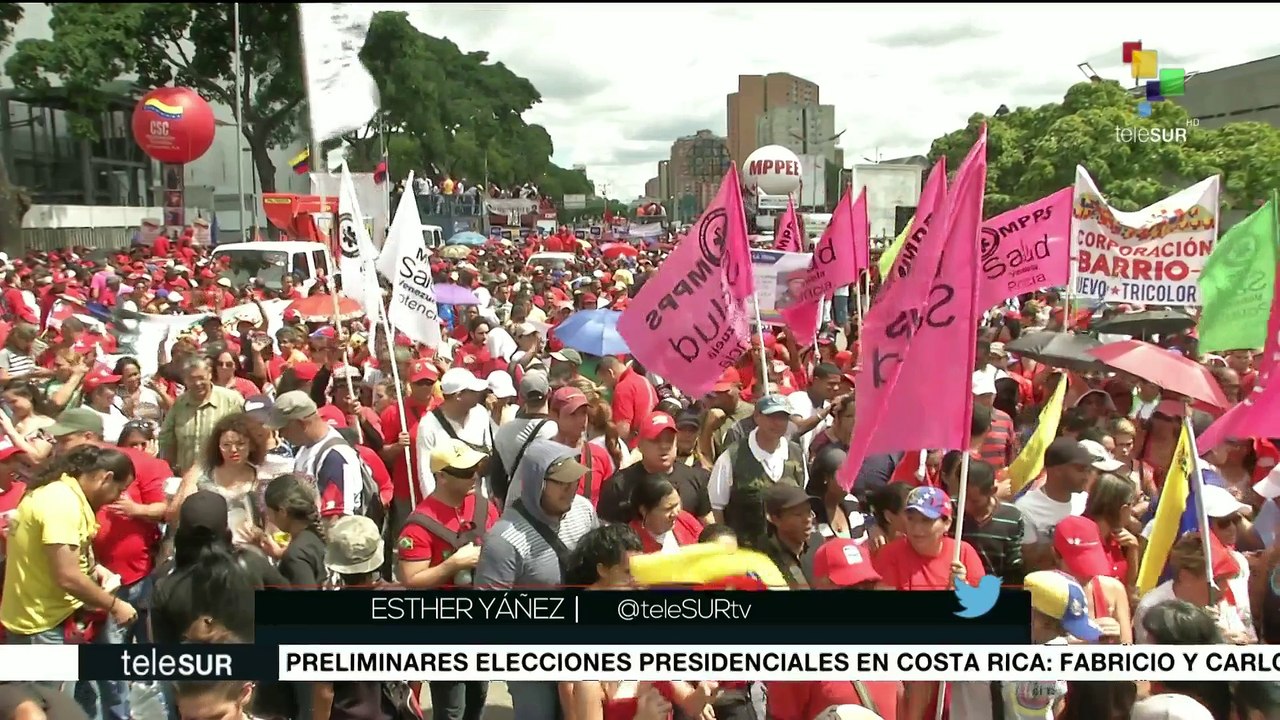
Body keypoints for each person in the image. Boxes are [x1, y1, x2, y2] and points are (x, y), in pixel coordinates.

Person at [475, 439, 598, 720]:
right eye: (561, 483)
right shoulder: (504, 539)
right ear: (537, 483)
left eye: (575, 481)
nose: (571, 490)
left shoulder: (583, 509)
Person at [709, 396, 806, 549]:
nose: (777, 423)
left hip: (787, 550)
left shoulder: (796, 453)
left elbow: (801, 498)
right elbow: (716, 507)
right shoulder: (732, 456)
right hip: (746, 551)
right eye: (771, 416)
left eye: (783, 417)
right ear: (757, 416)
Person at [597, 411, 712, 525]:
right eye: (655, 440)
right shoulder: (619, 485)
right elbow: (606, 532)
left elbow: (707, 522)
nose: (664, 446)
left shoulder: (696, 478)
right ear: (640, 445)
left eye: (669, 440)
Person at [265, 391, 367, 520]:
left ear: (301, 423)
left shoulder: (334, 456)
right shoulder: (304, 449)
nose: (280, 435)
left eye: (283, 428)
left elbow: (335, 518)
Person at [1016, 438, 1095, 571]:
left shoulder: (1087, 501)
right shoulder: (1026, 508)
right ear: (1057, 470)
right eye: (1080, 470)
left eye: (1088, 470)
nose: (1086, 476)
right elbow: (1030, 562)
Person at [261, 475, 328, 587]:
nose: (269, 518)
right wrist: (282, 556)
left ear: (282, 512)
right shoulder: (315, 536)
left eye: (269, 512)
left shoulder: (296, 554)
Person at [626, 474, 703, 554]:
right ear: (644, 510)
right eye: (668, 509)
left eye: (677, 505)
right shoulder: (630, 540)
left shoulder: (685, 520)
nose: (676, 513)